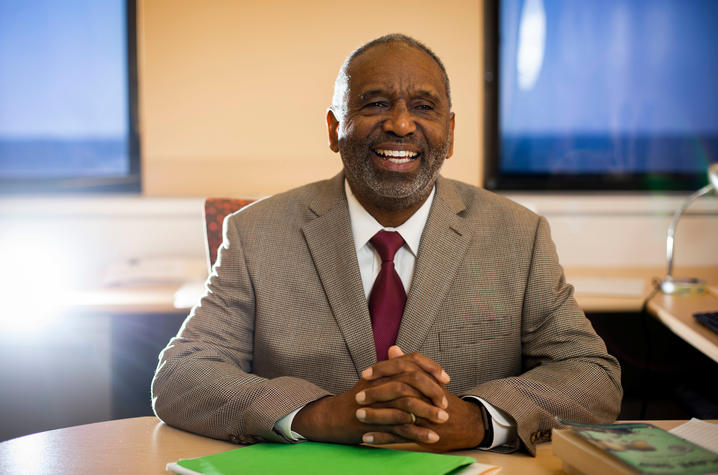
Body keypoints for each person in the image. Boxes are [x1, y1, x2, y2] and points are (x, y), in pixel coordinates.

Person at [151, 34, 622, 455]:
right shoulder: (256, 233)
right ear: (335, 129)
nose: (400, 125)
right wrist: (316, 414)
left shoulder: (519, 234)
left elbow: (592, 376)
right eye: (375, 104)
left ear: (451, 133)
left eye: (423, 107)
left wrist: (480, 420)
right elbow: (181, 376)